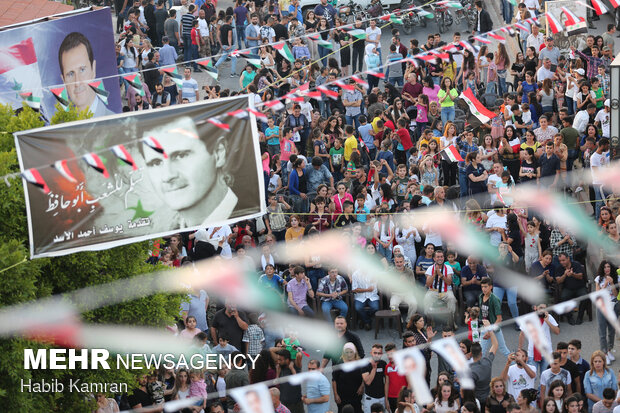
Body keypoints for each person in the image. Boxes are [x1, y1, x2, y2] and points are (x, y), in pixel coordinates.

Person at [141, 116, 249, 228]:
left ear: (218, 153)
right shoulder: (173, 230)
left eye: (180, 155)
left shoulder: (247, 217)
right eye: (156, 163)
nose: (168, 176)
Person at [58, 32, 115, 117]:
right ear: (64, 81)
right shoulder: (60, 125)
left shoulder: (114, 122)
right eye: (70, 74)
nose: (77, 82)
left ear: (93, 69)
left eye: (82, 70)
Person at [471, 320, 498, 405]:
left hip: (476, 401)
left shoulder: (469, 369)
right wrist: (489, 329)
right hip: (488, 399)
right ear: (481, 353)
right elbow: (495, 345)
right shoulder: (487, 362)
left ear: (471, 354)